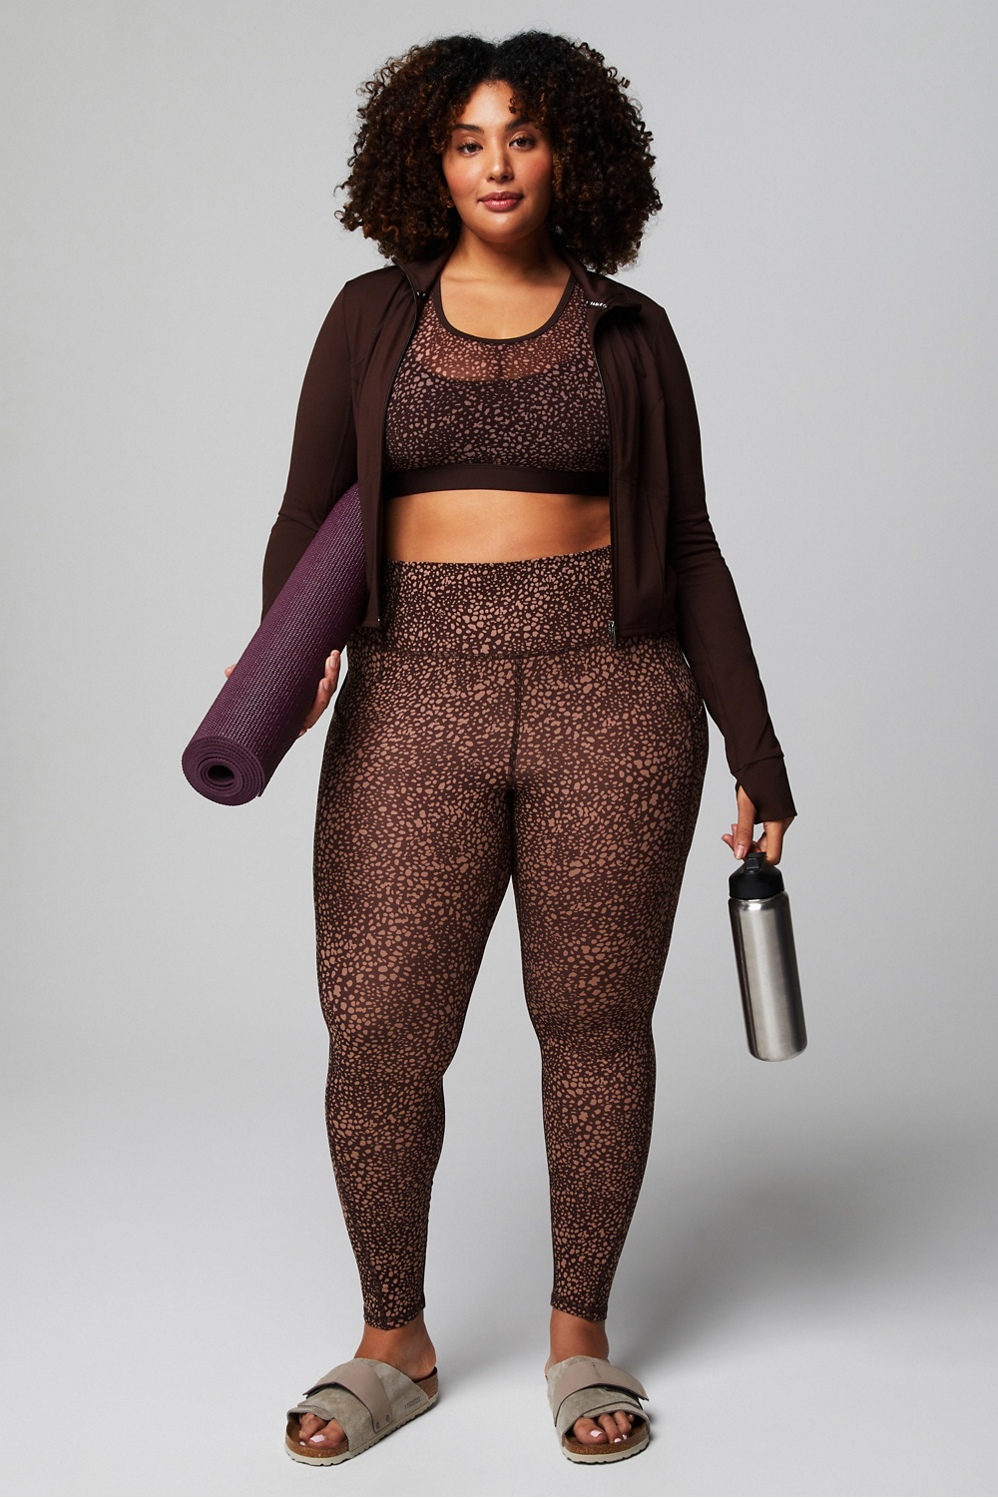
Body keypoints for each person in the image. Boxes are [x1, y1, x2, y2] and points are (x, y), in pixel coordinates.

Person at [250, 31, 795, 1466]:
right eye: (467, 140)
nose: (496, 167)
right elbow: (306, 511)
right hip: (410, 692)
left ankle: (578, 1334)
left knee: (596, 1026)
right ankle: (393, 1338)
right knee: (379, 1028)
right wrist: (287, 657)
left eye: (524, 137)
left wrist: (757, 750)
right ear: (428, 161)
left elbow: (689, 545)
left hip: (612, 694)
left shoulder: (632, 330)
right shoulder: (370, 315)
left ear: (572, 157)